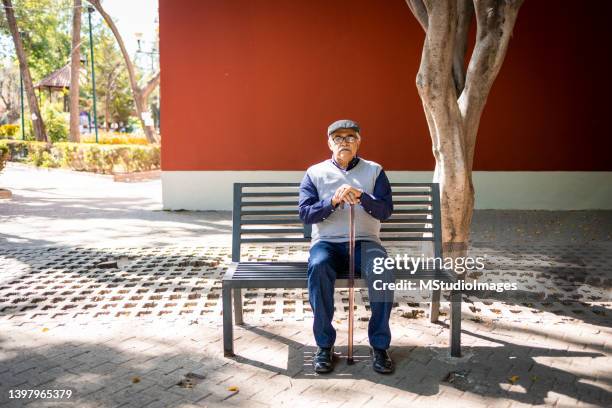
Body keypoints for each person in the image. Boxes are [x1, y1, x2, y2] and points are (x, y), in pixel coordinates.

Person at [298, 119, 395, 374]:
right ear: (329, 142)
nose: (344, 142)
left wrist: (362, 196)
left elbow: (385, 211)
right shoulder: (314, 172)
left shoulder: (374, 171)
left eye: (350, 137)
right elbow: (306, 214)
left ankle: (380, 346)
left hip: (365, 242)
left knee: (382, 269)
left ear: (358, 142)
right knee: (318, 267)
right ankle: (324, 345)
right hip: (327, 245)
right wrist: (332, 201)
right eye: (338, 138)